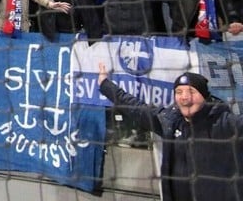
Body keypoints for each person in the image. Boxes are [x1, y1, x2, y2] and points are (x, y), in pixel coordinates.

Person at [98, 63, 243, 201]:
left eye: (191, 91)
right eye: (179, 92)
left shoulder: (225, 123)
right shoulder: (170, 121)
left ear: (204, 96)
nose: (185, 97)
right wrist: (105, 85)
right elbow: (135, 108)